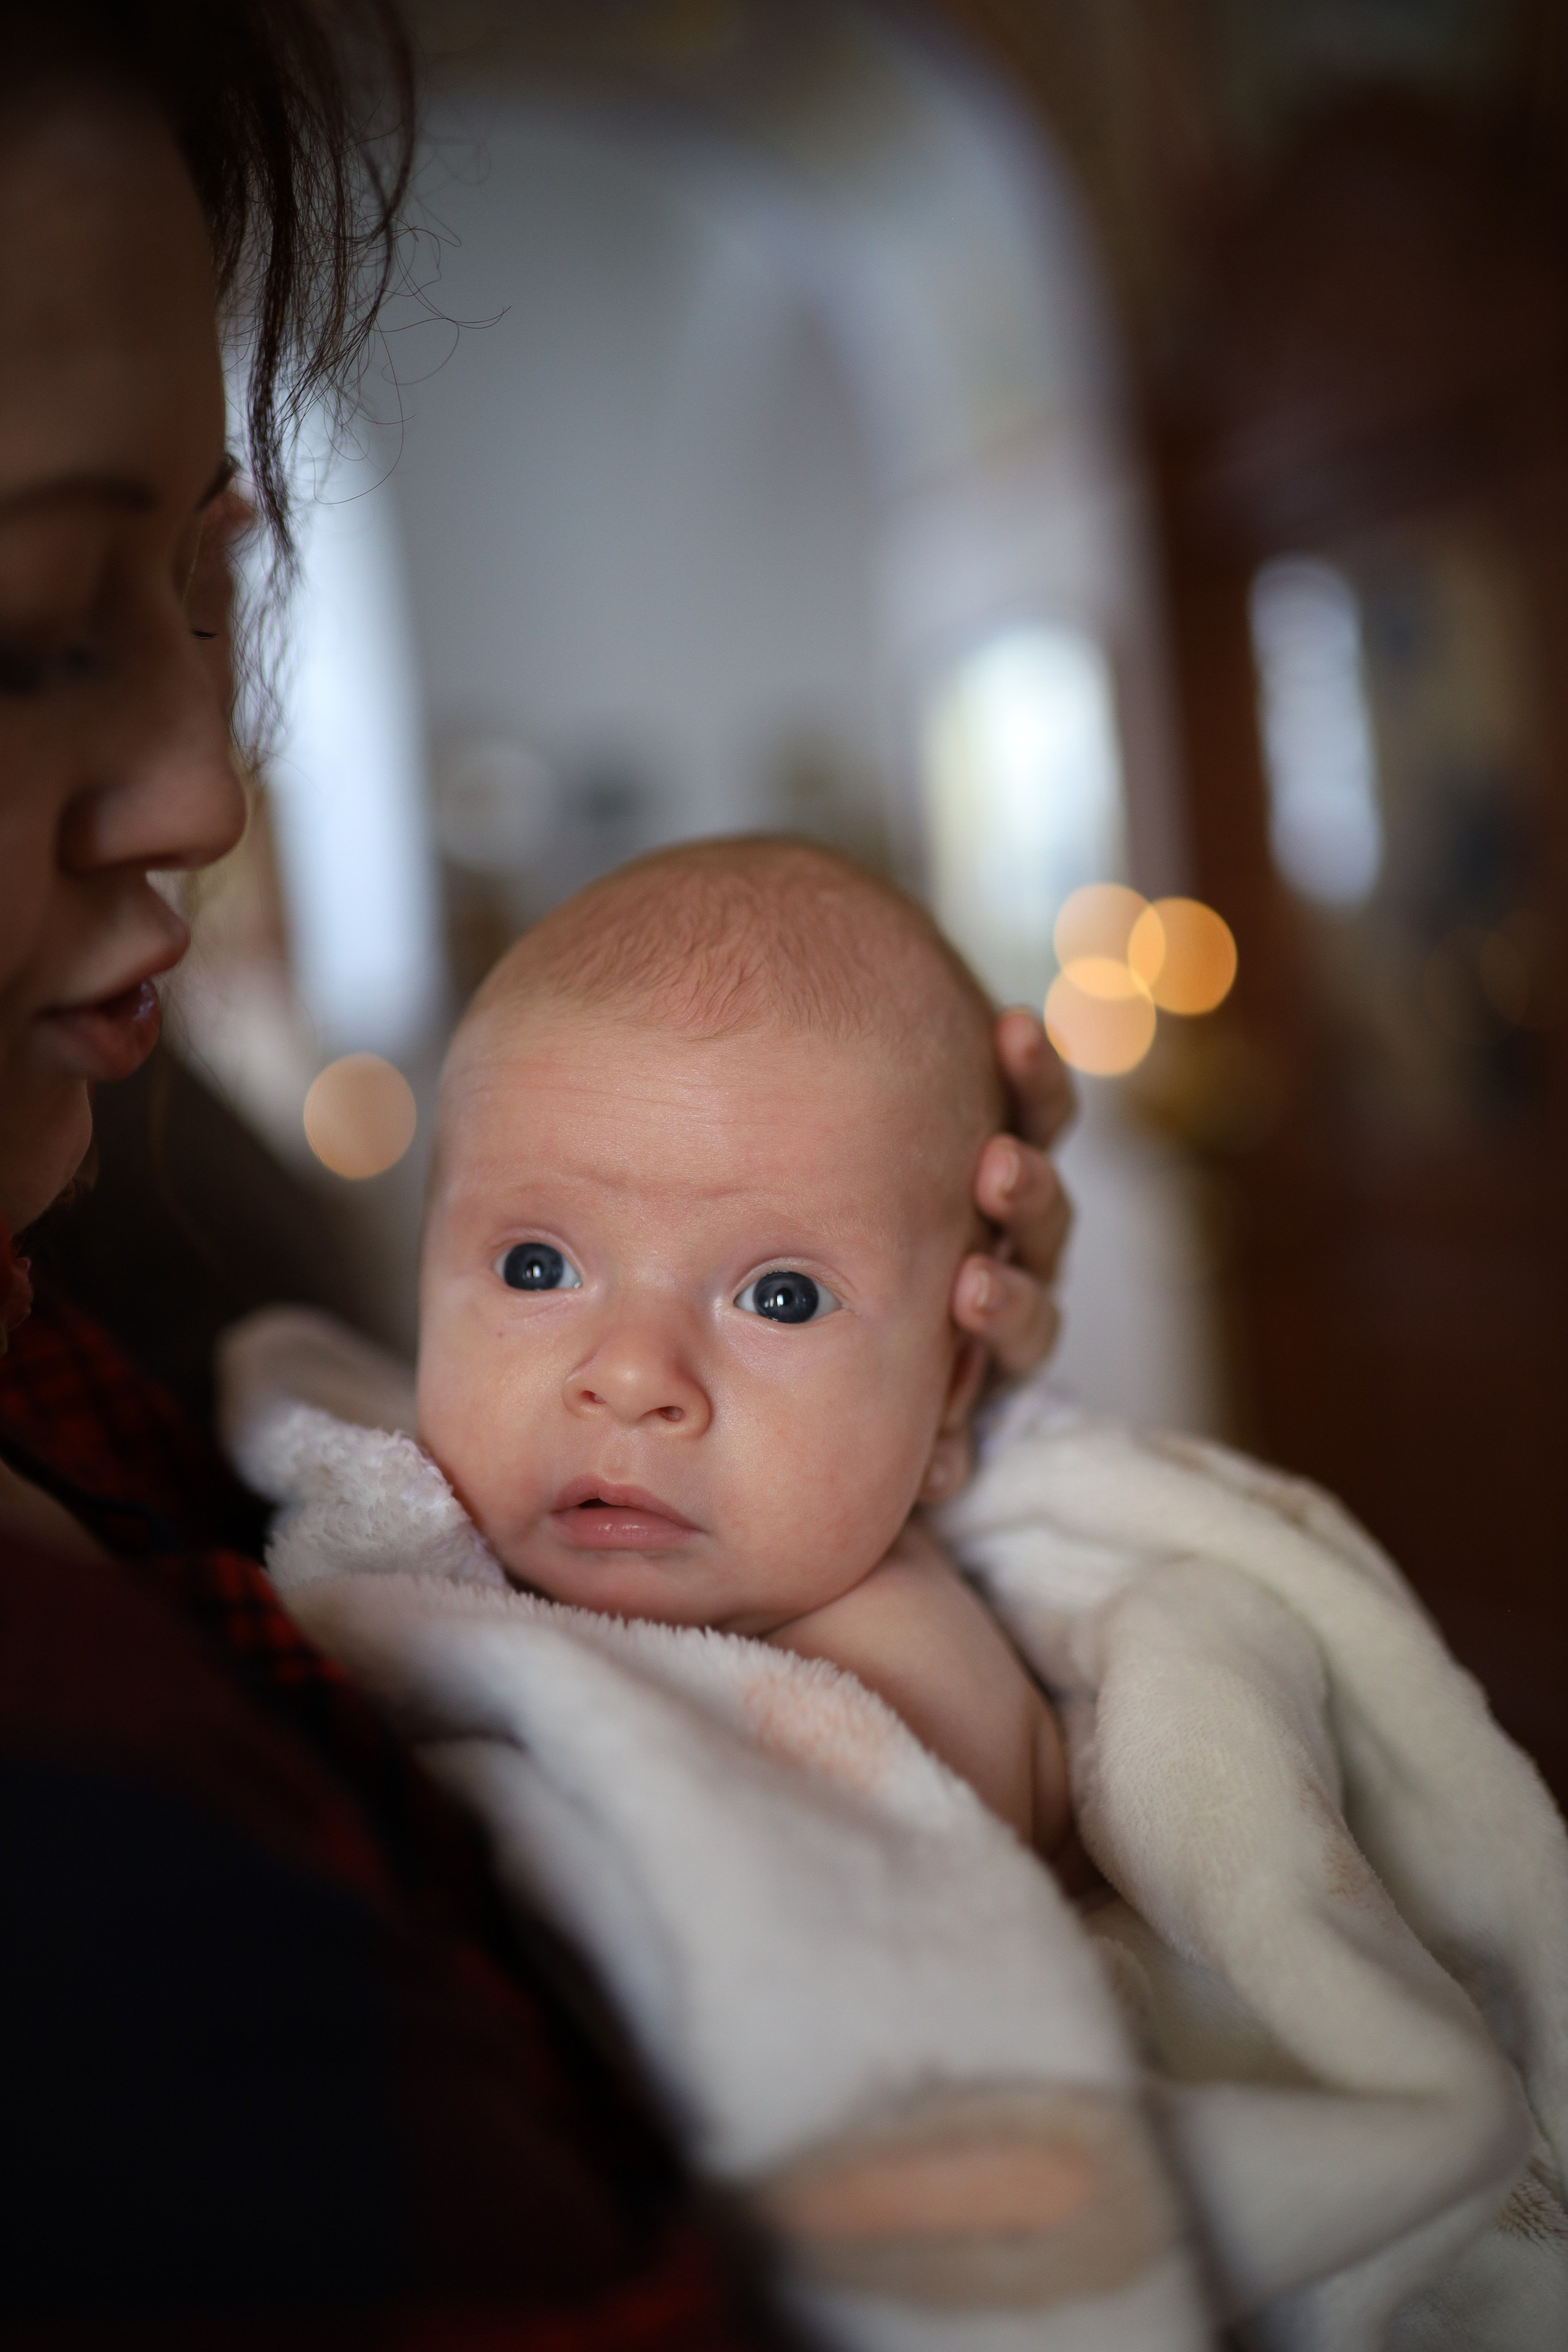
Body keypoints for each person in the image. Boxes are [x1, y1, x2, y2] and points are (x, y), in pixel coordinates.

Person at [0, 5, 1076, 2335]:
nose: (208, 790)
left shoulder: (119, 1306)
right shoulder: (88, 1837)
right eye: (31, 639)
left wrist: (950, 1476)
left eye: (204, 592)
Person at [418, 838, 1072, 1859]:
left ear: (952, 1390)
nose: (632, 1379)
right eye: (536, 1269)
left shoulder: (905, 1691)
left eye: (782, 1295)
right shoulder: (397, 1582)